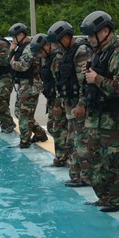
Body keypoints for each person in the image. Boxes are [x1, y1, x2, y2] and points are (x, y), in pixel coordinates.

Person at [81, 10, 119, 212]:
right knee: (95, 162)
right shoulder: (100, 53)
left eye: (92, 35)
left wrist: (97, 79)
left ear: (105, 31)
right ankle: (105, 198)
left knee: (114, 164)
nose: (89, 39)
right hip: (97, 119)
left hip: (115, 121)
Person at [48, 20, 91, 185]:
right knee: (72, 141)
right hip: (70, 104)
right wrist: (60, 101)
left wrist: (81, 104)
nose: (56, 46)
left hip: (78, 106)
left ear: (66, 37)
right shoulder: (66, 53)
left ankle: (85, 177)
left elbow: (84, 82)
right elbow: (61, 80)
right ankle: (76, 175)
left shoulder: (81, 51)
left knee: (81, 142)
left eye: (58, 42)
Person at [8, 25, 50, 148]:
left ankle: (25, 141)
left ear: (21, 35)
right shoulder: (20, 47)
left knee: (24, 114)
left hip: (31, 85)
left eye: (14, 37)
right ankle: (40, 134)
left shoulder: (29, 48)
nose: (13, 40)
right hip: (24, 84)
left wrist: (12, 61)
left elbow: (22, 66)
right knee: (20, 112)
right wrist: (11, 51)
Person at [40, 25, 69, 166]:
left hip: (58, 100)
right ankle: (65, 152)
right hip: (52, 99)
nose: (39, 55)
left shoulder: (56, 59)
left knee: (57, 128)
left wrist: (58, 104)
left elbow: (59, 82)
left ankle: (61, 157)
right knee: (52, 127)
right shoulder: (49, 59)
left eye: (41, 51)